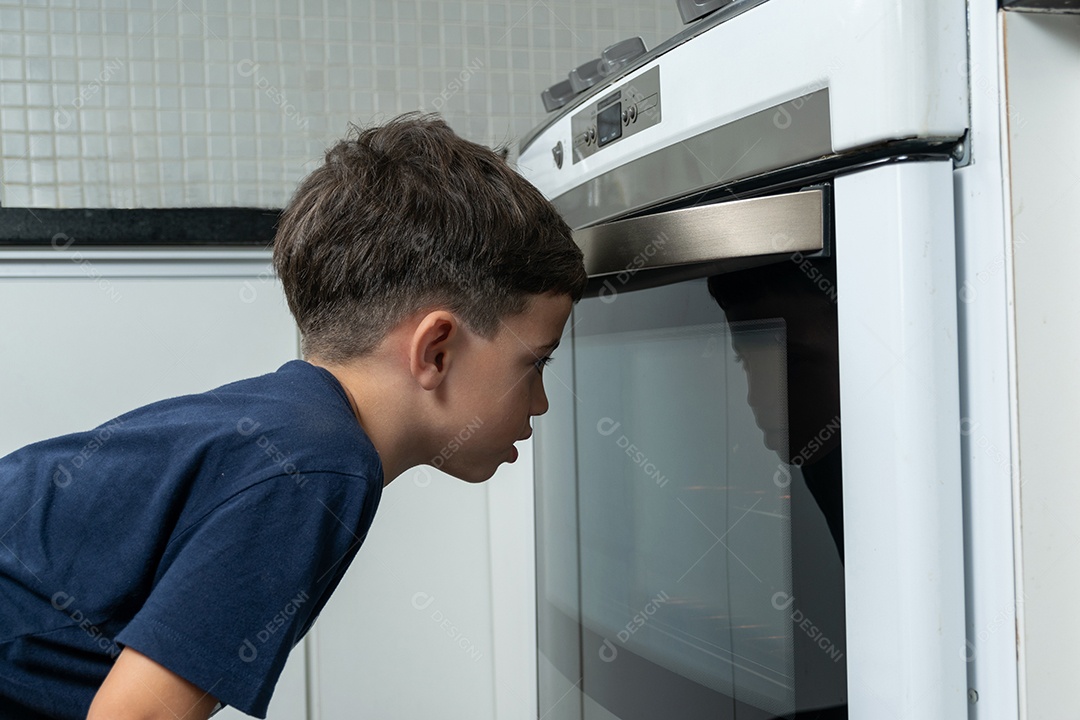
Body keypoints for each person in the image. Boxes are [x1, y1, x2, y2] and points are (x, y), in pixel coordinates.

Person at [0, 113, 587, 719]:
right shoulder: (318, 466)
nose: (540, 401)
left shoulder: (295, 428)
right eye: (535, 363)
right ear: (436, 351)